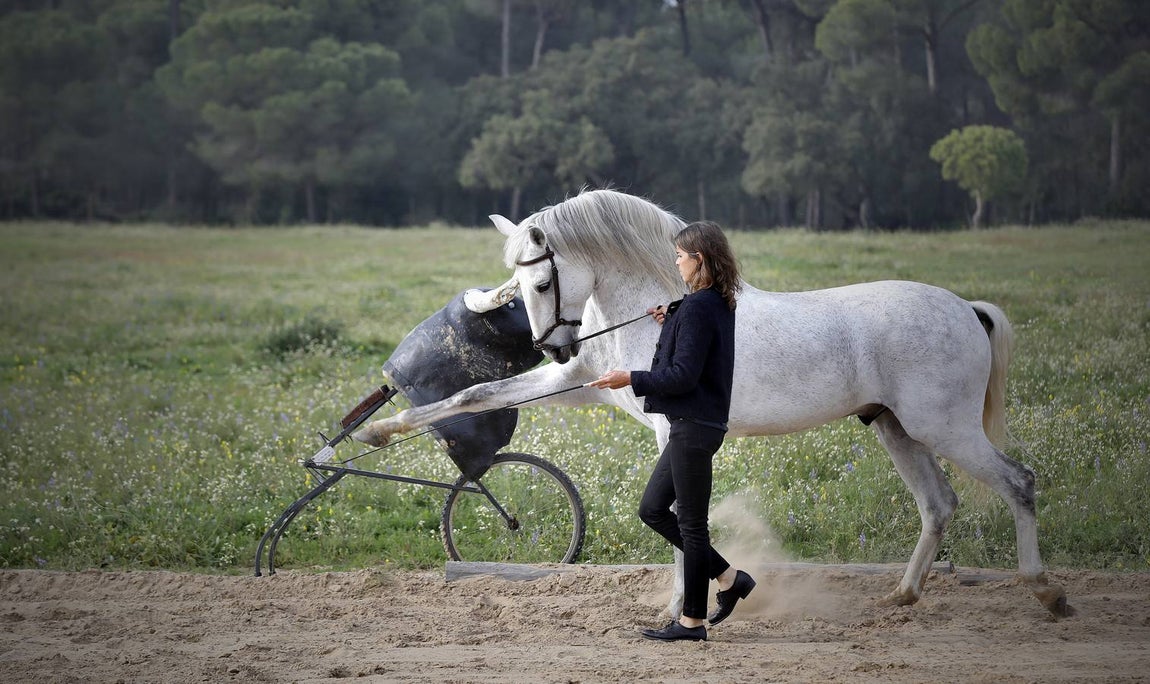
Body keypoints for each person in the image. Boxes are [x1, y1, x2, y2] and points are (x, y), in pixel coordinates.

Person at [589, 221, 755, 642]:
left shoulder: (701, 307)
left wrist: (629, 377)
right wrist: (672, 318)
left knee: (693, 526)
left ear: (699, 260)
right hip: (693, 426)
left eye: (681, 255)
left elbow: (682, 376)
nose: (676, 261)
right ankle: (730, 577)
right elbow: (692, 340)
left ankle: (692, 622)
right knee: (652, 510)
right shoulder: (708, 302)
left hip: (695, 427)